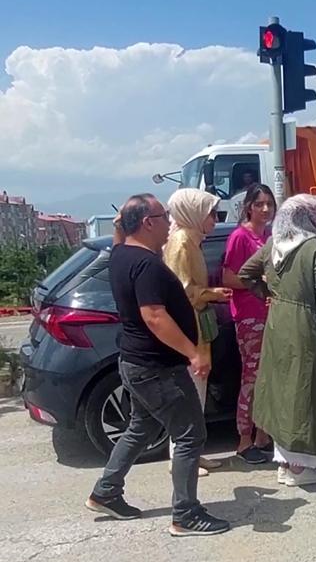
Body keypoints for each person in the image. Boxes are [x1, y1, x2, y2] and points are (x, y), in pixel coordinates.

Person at [85, 194, 230, 537]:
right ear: (148, 223)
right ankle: (185, 514)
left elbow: (121, 235)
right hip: (157, 368)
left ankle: (106, 491)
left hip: (136, 363)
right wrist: (192, 353)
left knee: (140, 428)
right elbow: (154, 316)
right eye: (164, 216)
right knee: (191, 434)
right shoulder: (146, 265)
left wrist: (121, 222)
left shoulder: (121, 253)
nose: (170, 221)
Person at [238, 194, 316, 487]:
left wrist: (268, 295)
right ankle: (300, 466)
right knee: (304, 390)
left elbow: (246, 274)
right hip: (304, 325)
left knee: (281, 390)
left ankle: (283, 461)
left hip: (277, 321)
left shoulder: (273, 245)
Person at [164, 188, 232, 476]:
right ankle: (181, 457)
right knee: (190, 393)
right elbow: (183, 291)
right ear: (194, 214)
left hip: (197, 325)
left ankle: (194, 452)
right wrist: (211, 294)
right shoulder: (181, 243)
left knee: (197, 393)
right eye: (211, 214)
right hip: (188, 327)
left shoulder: (192, 240)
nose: (215, 220)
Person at [222, 184, 276, 464]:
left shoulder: (269, 236)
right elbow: (228, 278)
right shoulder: (239, 237)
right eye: (260, 204)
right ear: (249, 207)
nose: (265, 209)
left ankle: (263, 436)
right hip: (249, 317)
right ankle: (244, 440)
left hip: (270, 315)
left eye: (269, 203)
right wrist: (259, 282)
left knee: (268, 378)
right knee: (252, 379)